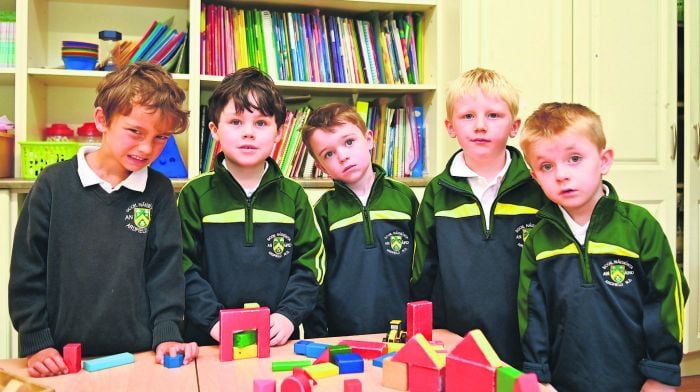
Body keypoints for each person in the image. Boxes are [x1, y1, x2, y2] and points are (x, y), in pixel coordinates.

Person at [9, 62, 198, 377]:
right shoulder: (52, 184)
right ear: (102, 119)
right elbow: (28, 269)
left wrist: (167, 332)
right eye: (135, 131)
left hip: (140, 355)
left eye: (161, 137)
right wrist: (36, 341)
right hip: (59, 359)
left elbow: (165, 269)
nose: (146, 147)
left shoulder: (159, 190)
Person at [517, 102, 689, 391]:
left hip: (636, 380)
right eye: (547, 166)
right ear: (535, 176)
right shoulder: (538, 240)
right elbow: (532, 313)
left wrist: (662, 372)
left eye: (574, 158)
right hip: (563, 380)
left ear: (604, 160)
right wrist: (538, 375)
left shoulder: (638, 226)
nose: (561, 174)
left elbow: (667, 297)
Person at [410, 68, 547, 368]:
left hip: (523, 338)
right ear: (450, 126)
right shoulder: (438, 192)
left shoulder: (537, 188)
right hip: (455, 335)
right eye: (468, 116)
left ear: (515, 126)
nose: (480, 126)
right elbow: (424, 269)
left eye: (494, 116)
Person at [178, 67, 325, 347]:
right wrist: (212, 321)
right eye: (236, 122)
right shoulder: (194, 194)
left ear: (279, 132)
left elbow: (310, 265)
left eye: (260, 123)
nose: (248, 133)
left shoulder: (294, 197)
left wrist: (288, 316)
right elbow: (182, 266)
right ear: (214, 130)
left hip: (277, 340)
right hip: (210, 340)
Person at [299, 103, 419, 338]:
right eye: (329, 154)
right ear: (320, 166)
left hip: (404, 333)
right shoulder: (323, 211)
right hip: (343, 337)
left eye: (349, 142)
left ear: (369, 139)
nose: (343, 156)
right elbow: (316, 283)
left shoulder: (404, 198)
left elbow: (422, 268)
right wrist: (318, 338)